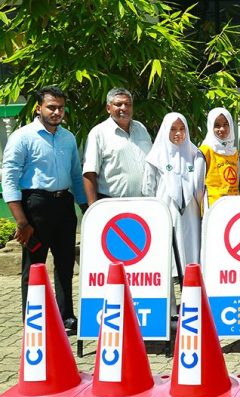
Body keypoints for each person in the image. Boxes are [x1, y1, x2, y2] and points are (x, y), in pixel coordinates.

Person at [2, 86, 87, 330]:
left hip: (64, 205)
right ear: (38, 108)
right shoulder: (22, 137)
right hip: (35, 206)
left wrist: (86, 208)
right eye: (51, 107)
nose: (57, 112)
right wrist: (21, 221)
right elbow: (9, 177)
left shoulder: (68, 138)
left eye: (61, 108)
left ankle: (66, 316)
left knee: (65, 264)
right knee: (34, 266)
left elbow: (76, 175)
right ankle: (34, 320)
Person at [143, 113, 206, 274]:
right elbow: (148, 189)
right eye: (173, 129)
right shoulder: (155, 157)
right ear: (165, 130)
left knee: (191, 249)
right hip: (166, 210)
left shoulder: (195, 154)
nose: (178, 133)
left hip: (191, 213)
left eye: (182, 129)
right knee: (169, 251)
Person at [82, 87, 152, 204]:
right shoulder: (98, 133)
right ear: (108, 108)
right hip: (113, 204)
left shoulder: (141, 128)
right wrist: (93, 207)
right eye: (118, 104)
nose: (124, 108)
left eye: (127, 104)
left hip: (144, 202)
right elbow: (89, 172)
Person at [199, 107, 239, 208]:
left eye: (226, 125)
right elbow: (198, 185)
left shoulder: (233, 152)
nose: (222, 129)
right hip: (213, 205)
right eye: (217, 125)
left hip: (234, 203)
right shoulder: (205, 151)